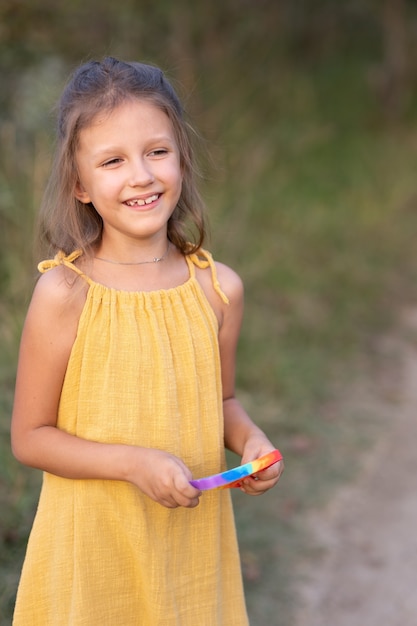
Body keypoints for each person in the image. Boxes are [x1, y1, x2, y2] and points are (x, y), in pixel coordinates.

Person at [11, 56, 284, 625]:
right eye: (112, 161)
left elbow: (224, 403)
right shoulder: (65, 293)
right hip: (93, 554)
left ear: (181, 157)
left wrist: (251, 442)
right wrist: (134, 463)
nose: (141, 175)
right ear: (79, 184)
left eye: (157, 151)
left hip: (188, 553)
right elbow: (30, 438)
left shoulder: (218, 289)